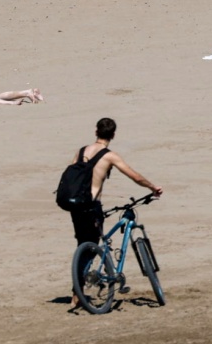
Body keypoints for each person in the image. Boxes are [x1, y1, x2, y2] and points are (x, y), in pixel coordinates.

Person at [67, 116, 162, 276]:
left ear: (96, 131)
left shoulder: (81, 151)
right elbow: (135, 177)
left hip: (75, 204)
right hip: (91, 205)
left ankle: (88, 280)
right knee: (91, 246)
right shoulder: (109, 156)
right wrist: (153, 187)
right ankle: (78, 292)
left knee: (82, 242)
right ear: (113, 135)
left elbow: (70, 176)